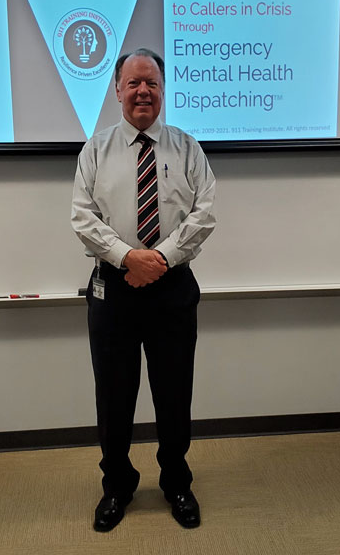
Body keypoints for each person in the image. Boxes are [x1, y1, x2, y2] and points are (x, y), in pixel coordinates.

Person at [71, 48, 216, 532]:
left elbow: (204, 213)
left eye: (151, 83)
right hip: (114, 286)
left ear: (163, 89)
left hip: (172, 286)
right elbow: (82, 217)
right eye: (133, 83)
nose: (142, 92)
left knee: (174, 392)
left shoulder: (187, 148)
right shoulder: (95, 150)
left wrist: (160, 260)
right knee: (114, 396)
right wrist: (128, 258)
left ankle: (176, 480)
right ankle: (117, 485)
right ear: (116, 90)